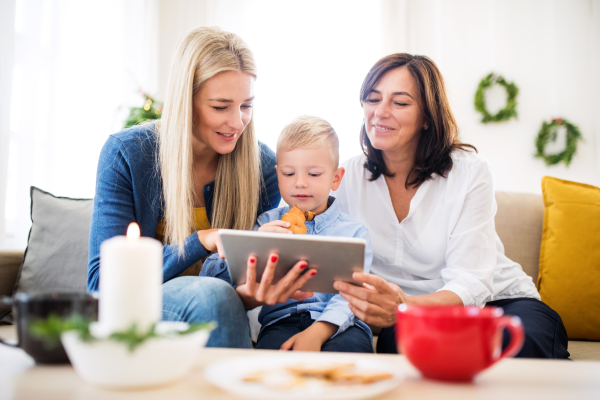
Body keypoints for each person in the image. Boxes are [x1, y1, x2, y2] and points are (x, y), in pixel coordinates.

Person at [87, 27, 316, 348]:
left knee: (217, 294)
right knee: (212, 293)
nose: (237, 122)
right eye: (221, 107)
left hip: (219, 308)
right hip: (139, 305)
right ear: (186, 102)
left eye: (246, 106)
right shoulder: (128, 153)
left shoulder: (263, 165)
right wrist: (202, 241)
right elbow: (101, 283)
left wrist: (254, 290)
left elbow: (236, 283)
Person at [332, 53, 569, 358]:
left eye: (400, 103)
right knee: (401, 346)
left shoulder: (470, 172)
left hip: (498, 302)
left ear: (428, 117)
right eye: (372, 99)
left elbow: (471, 281)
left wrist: (403, 305)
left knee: (517, 342)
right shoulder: (345, 177)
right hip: (411, 317)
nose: (380, 112)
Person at [202, 116, 374, 352]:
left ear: (335, 178)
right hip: (280, 323)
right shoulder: (266, 224)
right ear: (278, 174)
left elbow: (353, 296)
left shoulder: (354, 233)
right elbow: (223, 275)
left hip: (341, 325)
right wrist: (256, 245)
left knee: (352, 360)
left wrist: (318, 331)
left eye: (314, 174)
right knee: (267, 368)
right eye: (289, 174)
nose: (300, 183)